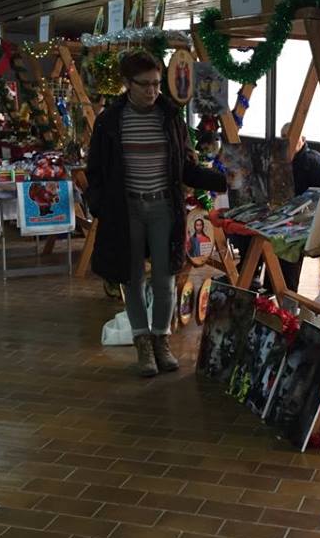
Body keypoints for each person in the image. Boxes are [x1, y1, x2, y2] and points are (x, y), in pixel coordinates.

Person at [86, 51, 226, 378]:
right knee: (132, 278)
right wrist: (100, 208)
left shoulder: (171, 117)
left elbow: (186, 168)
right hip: (126, 210)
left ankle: (161, 339)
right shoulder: (109, 122)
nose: (152, 91)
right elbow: (96, 172)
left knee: (165, 279)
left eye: (157, 84)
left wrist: (226, 180)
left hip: (164, 207)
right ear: (127, 83)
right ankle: (142, 343)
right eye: (145, 84)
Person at [281, 122, 320, 292]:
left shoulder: (314, 162)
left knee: (287, 241)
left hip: (315, 222)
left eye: (292, 137)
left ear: (303, 139)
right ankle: (267, 285)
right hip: (292, 216)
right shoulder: (282, 162)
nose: (287, 142)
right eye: (284, 138)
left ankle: (287, 293)